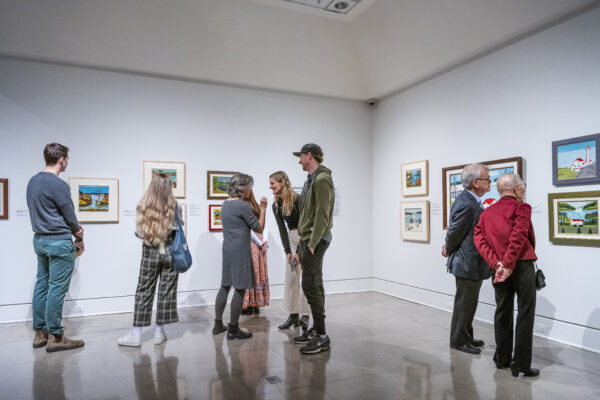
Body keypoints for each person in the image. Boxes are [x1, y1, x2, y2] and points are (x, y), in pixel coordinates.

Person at [474, 173, 539, 377]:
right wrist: (509, 264)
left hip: (499, 268)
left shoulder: (486, 213)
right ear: (517, 188)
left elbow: (479, 240)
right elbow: (518, 236)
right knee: (525, 312)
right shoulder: (522, 208)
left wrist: (496, 263)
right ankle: (520, 363)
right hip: (521, 265)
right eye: (523, 186)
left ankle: (502, 359)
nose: (524, 189)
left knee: (502, 310)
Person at [27, 143, 85, 352]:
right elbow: (69, 215)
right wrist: (78, 233)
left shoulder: (32, 182)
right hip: (59, 242)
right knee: (56, 289)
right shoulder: (58, 185)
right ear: (61, 159)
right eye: (67, 159)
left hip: (40, 240)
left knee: (42, 285)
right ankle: (56, 336)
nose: (67, 162)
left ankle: (39, 334)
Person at [118, 172, 182, 347]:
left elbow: (139, 233)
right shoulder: (175, 206)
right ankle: (159, 333)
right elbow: (179, 228)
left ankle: (136, 334)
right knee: (166, 292)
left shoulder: (142, 205)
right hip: (169, 251)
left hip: (150, 251)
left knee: (144, 290)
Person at [442, 163, 491, 355]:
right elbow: (455, 232)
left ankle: (467, 337)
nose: (490, 182)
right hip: (466, 262)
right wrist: (449, 249)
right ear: (475, 182)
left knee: (469, 303)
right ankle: (459, 341)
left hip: (471, 262)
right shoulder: (466, 203)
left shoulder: (470, 200)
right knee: (464, 304)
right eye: (487, 179)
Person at [213, 173, 267, 340]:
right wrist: (263, 208)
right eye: (250, 187)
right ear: (243, 188)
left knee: (225, 286)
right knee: (240, 288)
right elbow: (259, 228)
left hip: (227, 249)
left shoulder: (225, 204)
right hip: (240, 251)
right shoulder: (242, 206)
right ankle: (233, 328)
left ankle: (218, 324)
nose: (251, 190)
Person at [292, 143, 335, 355]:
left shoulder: (322, 179)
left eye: (300, 156)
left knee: (311, 286)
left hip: (314, 241)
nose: (299, 160)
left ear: (309, 155)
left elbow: (323, 215)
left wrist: (312, 243)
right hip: (307, 239)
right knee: (313, 284)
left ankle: (322, 335)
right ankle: (318, 331)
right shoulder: (311, 179)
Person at [269, 171, 310, 330]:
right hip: (292, 238)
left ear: (283, 182)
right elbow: (282, 229)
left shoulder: (298, 199)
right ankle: (293, 315)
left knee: (306, 277)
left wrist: (299, 250)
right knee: (292, 277)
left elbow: (305, 224)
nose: (270, 186)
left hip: (304, 237)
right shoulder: (276, 205)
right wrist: (288, 251)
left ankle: (305, 316)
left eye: (273, 183)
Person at [242, 190, 270, 314]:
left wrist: (261, 242)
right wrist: (264, 241)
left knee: (250, 274)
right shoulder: (258, 207)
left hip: (250, 244)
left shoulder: (243, 207)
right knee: (257, 274)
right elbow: (264, 227)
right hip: (259, 246)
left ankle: (249, 304)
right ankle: (256, 303)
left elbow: (247, 229)